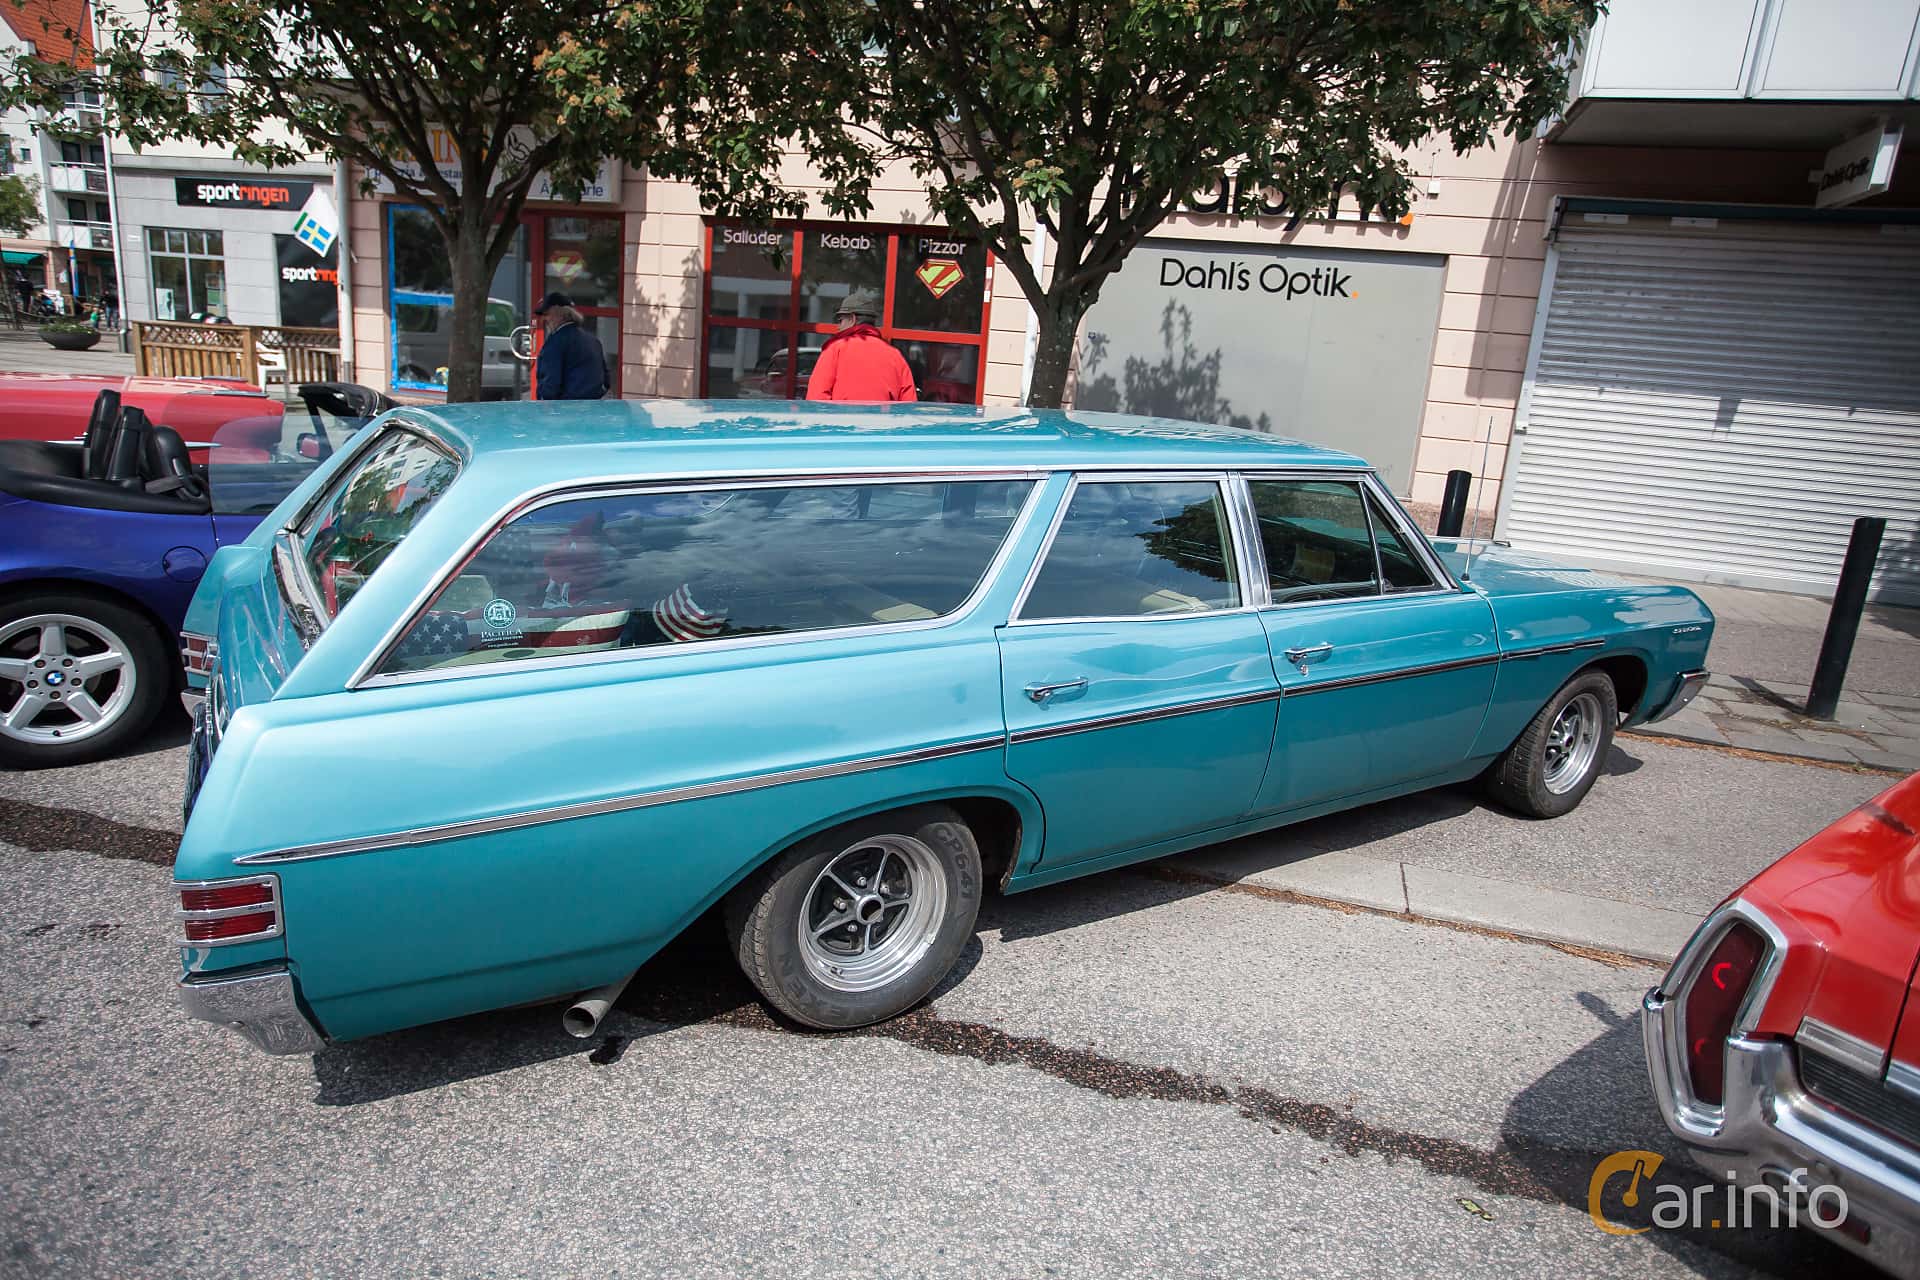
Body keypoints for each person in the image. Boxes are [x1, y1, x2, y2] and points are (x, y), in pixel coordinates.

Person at [805, 288, 916, 402]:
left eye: (840, 320)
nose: (838, 326)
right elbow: (909, 403)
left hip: (841, 414)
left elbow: (816, 398)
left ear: (852, 319)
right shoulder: (895, 355)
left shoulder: (834, 349)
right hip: (883, 414)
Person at [533, 291, 610, 400]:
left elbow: (550, 386)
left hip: (566, 407)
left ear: (560, 314)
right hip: (594, 406)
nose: (543, 320)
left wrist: (542, 401)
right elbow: (606, 382)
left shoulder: (555, 342)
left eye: (546, 314)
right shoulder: (593, 340)